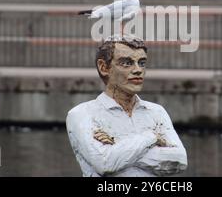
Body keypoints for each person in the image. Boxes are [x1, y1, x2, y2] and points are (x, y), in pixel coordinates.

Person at [66, 35, 187, 177]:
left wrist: (117, 145)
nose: (138, 70)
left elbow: (179, 160)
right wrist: (151, 137)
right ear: (104, 67)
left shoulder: (157, 112)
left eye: (142, 63)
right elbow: (105, 163)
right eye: (126, 63)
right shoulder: (82, 114)